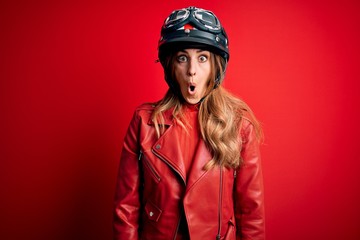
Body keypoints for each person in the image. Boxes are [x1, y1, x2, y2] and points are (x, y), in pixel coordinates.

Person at [113, 6, 265, 240]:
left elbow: (251, 214)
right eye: (183, 58)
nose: (192, 71)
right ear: (171, 67)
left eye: (202, 58)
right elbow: (126, 210)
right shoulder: (144, 123)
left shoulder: (239, 125)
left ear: (216, 66)